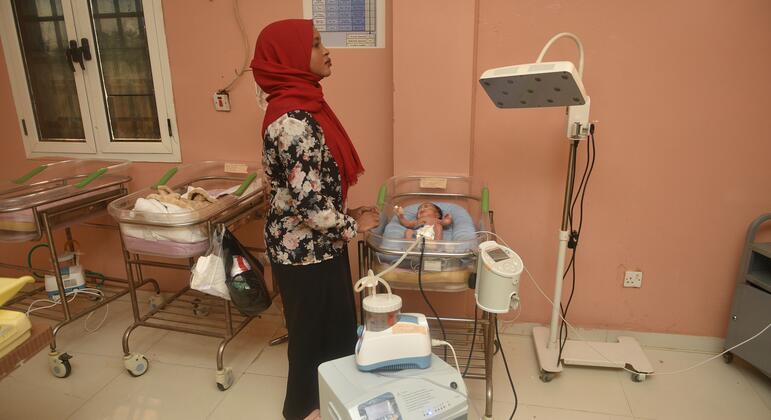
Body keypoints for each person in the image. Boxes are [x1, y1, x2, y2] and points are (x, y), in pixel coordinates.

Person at [251, 19, 379, 420]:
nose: (327, 51)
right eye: (316, 45)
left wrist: (347, 216)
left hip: (320, 243)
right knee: (309, 337)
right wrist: (355, 228)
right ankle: (303, 410)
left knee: (337, 331)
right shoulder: (292, 121)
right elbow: (309, 206)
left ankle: (334, 400)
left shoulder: (307, 107)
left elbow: (314, 186)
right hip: (300, 248)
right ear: (289, 57)